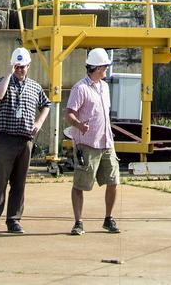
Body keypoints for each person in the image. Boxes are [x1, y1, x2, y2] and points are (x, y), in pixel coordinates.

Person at [0, 46, 50, 235]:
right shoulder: (4, 82)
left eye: (23, 67)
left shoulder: (35, 86)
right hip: (5, 139)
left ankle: (14, 220)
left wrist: (39, 122)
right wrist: (8, 74)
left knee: (19, 184)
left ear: (29, 66)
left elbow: (46, 104)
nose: (20, 70)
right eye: (17, 67)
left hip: (25, 140)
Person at [65, 47, 121, 236]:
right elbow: (69, 114)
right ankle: (78, 222)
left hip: (107, 143)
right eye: (105, 66)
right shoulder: (80, 88)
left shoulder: (104, 87)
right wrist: (79, 125)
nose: (107, 70)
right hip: (87, 144)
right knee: (80, 184)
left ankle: (108, 218)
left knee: (113, 181)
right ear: (97, 68)